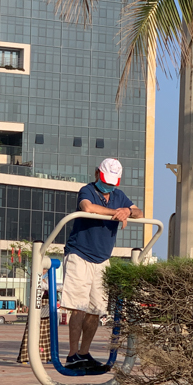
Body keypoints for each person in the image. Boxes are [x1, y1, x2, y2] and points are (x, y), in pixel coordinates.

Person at [62, 158, 142, 371]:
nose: (109, 185)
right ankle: (72, 355)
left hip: (102, 259)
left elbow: (139, 212)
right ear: (97, 172)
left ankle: (84, 352)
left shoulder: (119, 196)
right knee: (78, 307)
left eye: (113, 182)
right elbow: (88, 207)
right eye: (106, 180)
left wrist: (128, 211)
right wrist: (117, 213)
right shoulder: (87, 190)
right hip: (79, 255)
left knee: (96, 309)